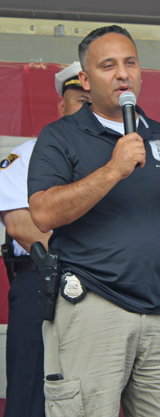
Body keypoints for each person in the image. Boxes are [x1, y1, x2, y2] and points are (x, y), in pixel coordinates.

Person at [27, 25, 160, 417]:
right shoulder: (60, 137)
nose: (122, 74)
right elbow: (42, 213)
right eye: (108, 65)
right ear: (85, 80)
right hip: (93, 306)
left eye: (130, 63)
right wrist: (113, 170)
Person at [0, 62, 91, 417]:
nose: (86, 108)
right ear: (61, 106)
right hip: (41, 282)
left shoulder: (108, 161)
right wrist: (88, 253)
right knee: (30, 388)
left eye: (92, 102)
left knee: (88, 388)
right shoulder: (23, 156)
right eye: (79, 100)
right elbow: (21, 226)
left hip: (98, 285)